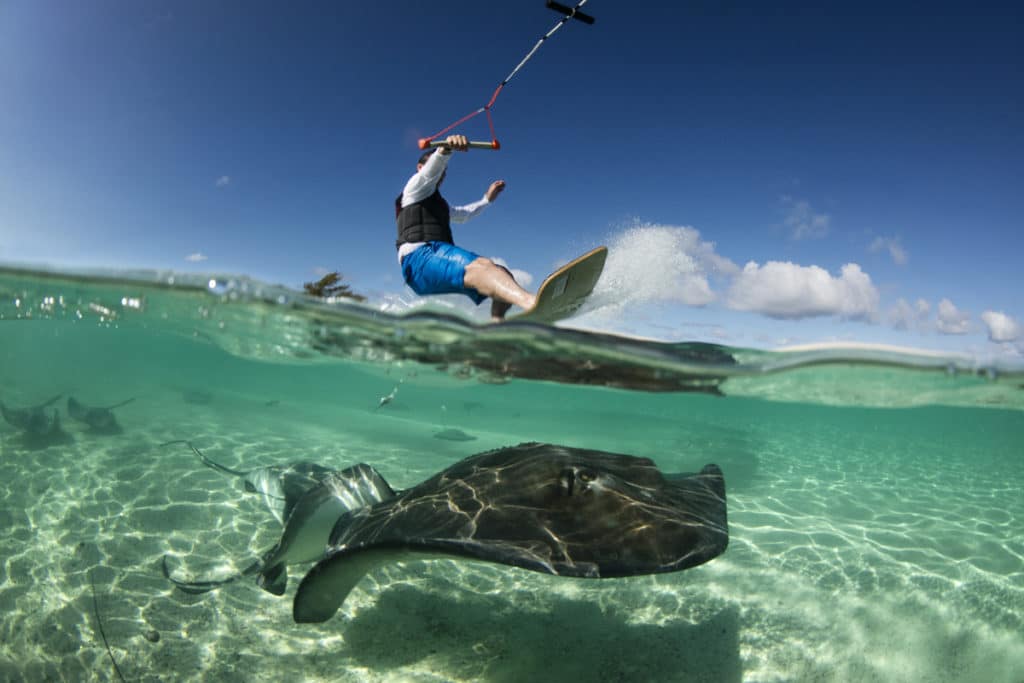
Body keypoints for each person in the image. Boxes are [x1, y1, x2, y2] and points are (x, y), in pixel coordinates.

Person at [395, 134, 536, 321]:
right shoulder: (413, 188)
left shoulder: (439, 204)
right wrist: (445, 150)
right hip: (419, 259)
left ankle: (497, 324)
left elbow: (464, 214)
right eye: (439, 168)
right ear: (420, 168)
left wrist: (487, 200)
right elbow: (430, 171)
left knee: (503, 273)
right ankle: (531, 304)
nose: (441, 173)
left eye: (444, 171)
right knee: (484, 267)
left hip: (436, 261)